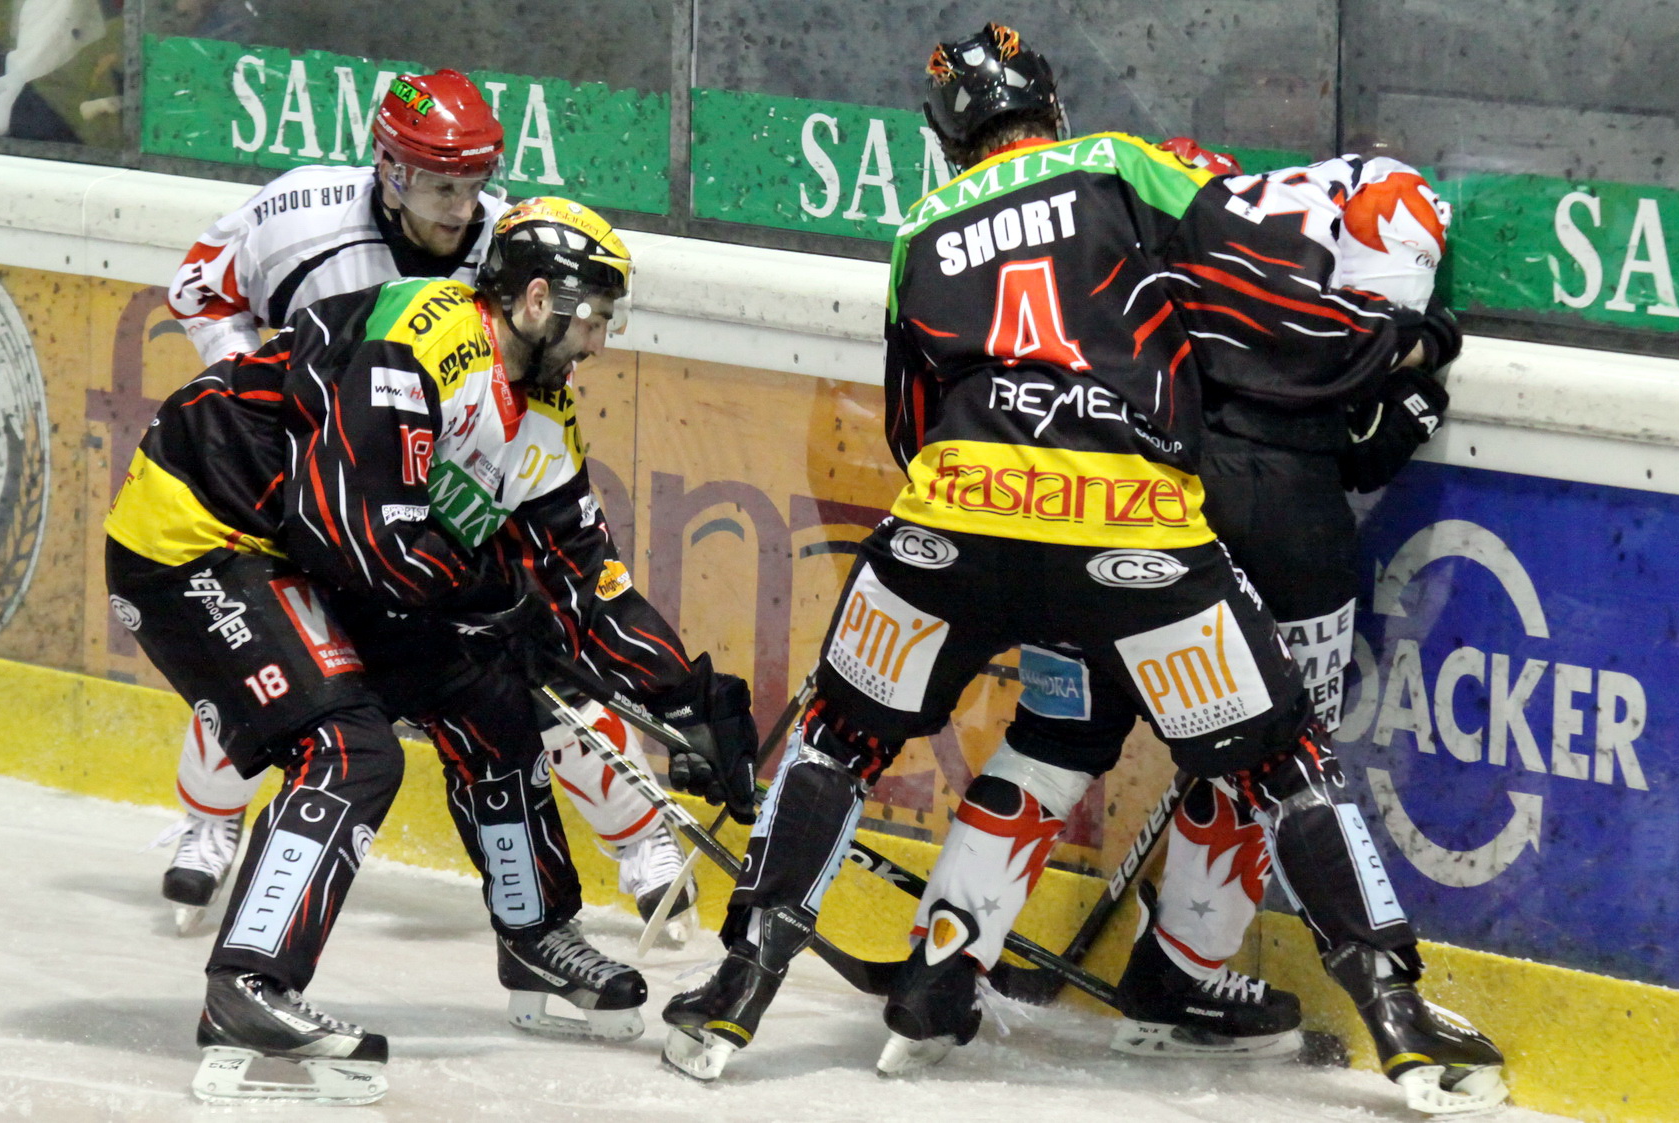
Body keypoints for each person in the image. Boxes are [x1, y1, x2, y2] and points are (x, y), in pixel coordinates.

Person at [660, 23, 1504, 1116]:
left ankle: (737, 988)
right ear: (1050, 109)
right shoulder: (1118, 166)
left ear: (948, 141)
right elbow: (1258, 305)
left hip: (952, 523)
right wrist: (1404, 346)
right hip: (1128, 531)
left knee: (834, 737)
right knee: (1284, 761)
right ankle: (1399, 1017)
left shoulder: (919, 230)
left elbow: (912, 422)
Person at [105, 195, 759, 1103]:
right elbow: (360, 535)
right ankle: (248, 985)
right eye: (594, 317)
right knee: (350, 748)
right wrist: (500, 600)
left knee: (490, 697)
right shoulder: (416, 337)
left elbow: (582, 577)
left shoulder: (542, 412)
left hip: (298, 551)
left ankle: (534, 930)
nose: (601, 342)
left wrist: (685, 697)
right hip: (195, 535)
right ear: (538, 300)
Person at [154, 67, 699, 944]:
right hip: (321, 485)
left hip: (454, 475)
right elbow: (202, 288)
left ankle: (641, 839)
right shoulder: (301, 216)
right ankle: (209, 822)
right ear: (390, 167)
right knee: (281, 649)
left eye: (475, 183)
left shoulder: (513, 248)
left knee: (533, 640)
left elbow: (540, 371)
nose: (462, 207)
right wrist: (263, 407)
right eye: (442, 185)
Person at [997, 145, 1456, 1065]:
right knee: (1271, 753)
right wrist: (1425, 361)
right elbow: (1361, 396)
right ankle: (1183, 970)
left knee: (1060, 734)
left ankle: (946, 957)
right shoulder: (1389, 208)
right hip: (1281, 512)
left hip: (1129, 496)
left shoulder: (1198, 184)